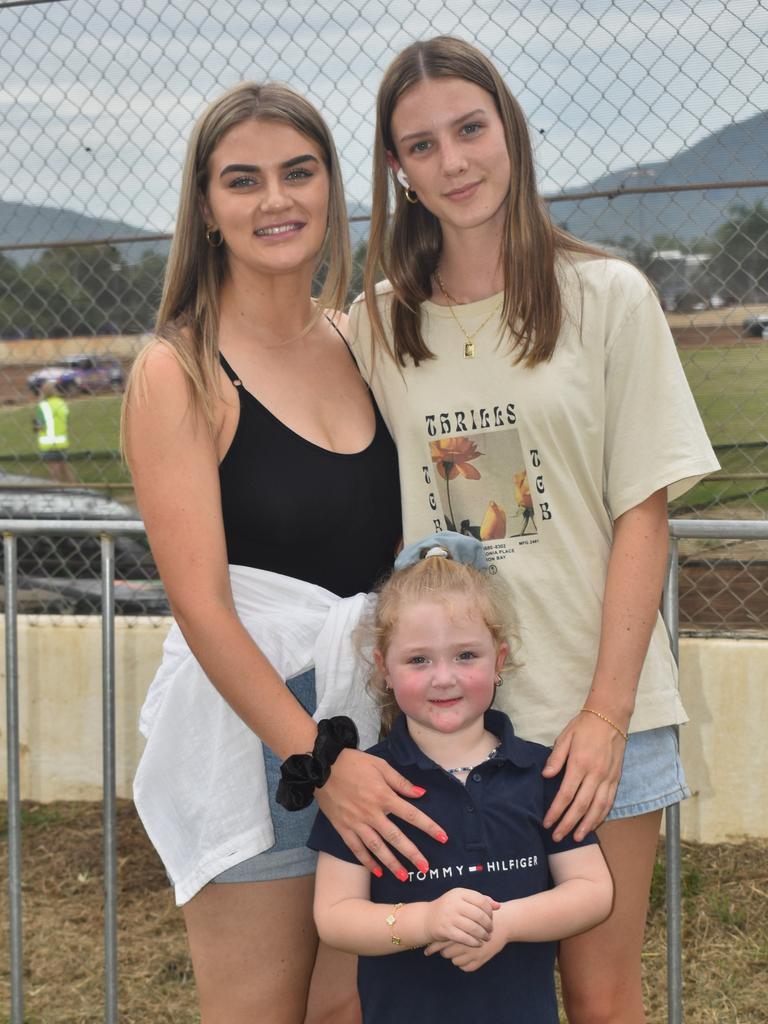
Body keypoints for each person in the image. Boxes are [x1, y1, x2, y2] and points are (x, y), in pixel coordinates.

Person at [348, 37, 720, 1024]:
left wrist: (601, 716)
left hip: (598, 718)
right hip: (446, 725)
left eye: (471, 128)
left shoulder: (608, 297)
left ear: (510, 129)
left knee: (600, 995)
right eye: (421, 145)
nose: (455, 161)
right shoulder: (378, 327)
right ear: (397, 168)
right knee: (456, 991)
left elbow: (643, 514)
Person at [122, 81, 446, 1024]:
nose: (276, 201)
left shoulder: (354, 341)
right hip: (258, 732)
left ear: (332, 187)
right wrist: (318, 760)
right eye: (244, 181)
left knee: (349, 1010)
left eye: (298, 173)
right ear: (207, 208)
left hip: (366, 714)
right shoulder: (177, 370)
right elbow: (203, 607)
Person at [309, 536, 614, 1023]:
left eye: (466, 656)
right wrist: (424, 921)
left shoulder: (542, 772)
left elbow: (593, 891)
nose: (444, 678)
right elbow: (335, 915)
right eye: (418, 660)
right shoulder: (365, 785)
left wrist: (506, 924)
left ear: (500, 659)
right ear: (383, 668)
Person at [34, 380, 76, 483]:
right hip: (62, 442)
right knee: (64, 469)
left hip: (48, 443)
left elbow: (39, 426)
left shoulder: (42, 406)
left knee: (54, 471)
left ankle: (56, 490)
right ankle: (75, 487)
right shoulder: (61, 403)